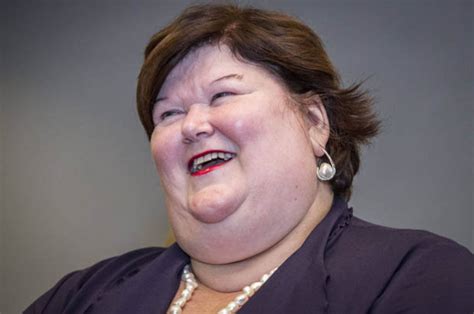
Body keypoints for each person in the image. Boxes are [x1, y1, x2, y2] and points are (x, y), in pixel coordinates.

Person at [25, 4, 473, 314]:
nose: (192, 124)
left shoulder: (422, 276)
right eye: (169, 113)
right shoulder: (83, 293)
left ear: (314, 121)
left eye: (223, 94)